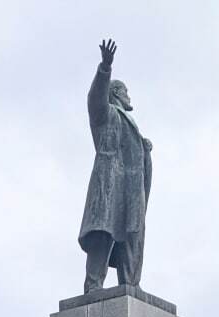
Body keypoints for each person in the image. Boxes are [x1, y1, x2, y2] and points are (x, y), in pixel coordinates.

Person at [79, 38, 153, 292]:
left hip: (132, 189)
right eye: (125, 91)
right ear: (116, 94)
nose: (129, 95)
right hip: (109, 181)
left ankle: (131, 283)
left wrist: (145, 150)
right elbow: (94, 100)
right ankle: (94, 284)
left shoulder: (132, 125)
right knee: (104, 232)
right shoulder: (106, 113)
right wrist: (105, 69)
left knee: (133, 235)